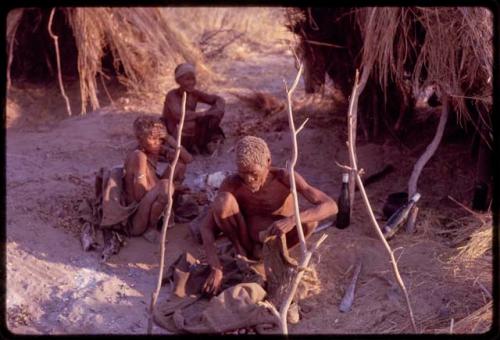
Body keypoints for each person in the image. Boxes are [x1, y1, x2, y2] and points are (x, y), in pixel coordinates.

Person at [199, 136, 338, 295]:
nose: (249, 179)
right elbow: (206, 227)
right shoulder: (233, 183)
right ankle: (242, 253)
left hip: (279, 240)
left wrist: (293, 220)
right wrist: (216, 268)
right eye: (243, 173)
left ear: (268, 161)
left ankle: (273, 257)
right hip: (246, 242)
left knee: (309, 223)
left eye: (253, 173)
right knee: (222, 201)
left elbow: (331, 206)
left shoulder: (284, 178)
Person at [123, 115, 192, 236]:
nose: (157, 143)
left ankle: (167, 213)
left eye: (159, 139)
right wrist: (173, 187)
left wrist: (168, 137)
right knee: (165, 185)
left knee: (179, 164)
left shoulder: (154, 149)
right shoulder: (139, 156)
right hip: (137, 216)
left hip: (151, 201)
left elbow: (188, 159)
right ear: (140, 139)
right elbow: (140, 196)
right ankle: (151, 229)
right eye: (152, 138)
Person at [161, 62, 225, 155]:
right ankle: (182, 148)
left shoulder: (194, 94)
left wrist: (219, 108)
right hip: (173, 131)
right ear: (178, 81)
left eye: (193, 79)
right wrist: (203, 113)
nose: (191, 82)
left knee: (213, 117)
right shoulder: (172, 95)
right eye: (187, 79)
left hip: (188, 130)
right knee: (190, 124)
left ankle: (201, 144)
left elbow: (216, 99)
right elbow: (179, 115)